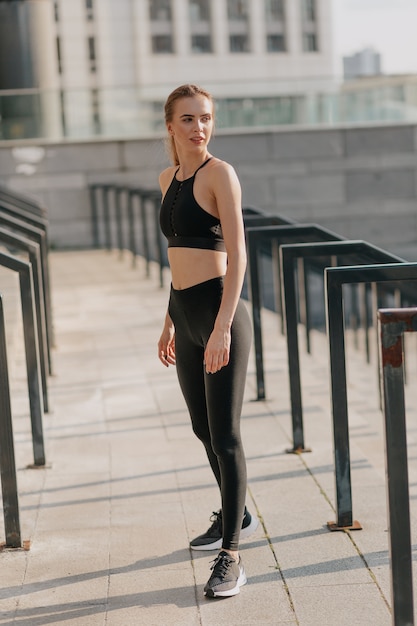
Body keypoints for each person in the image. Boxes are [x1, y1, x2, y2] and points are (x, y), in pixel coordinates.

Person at [157, 84, 258, 598]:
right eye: (189, 118)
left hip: (221, 316)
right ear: (170, 125)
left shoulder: (220, 174)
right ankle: (235, 510)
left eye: (207, 117)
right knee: (201, 427)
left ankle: (232, 556)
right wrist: (169, 319)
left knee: (227, 435)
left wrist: (221, 327)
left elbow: (238, 255)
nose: (200, 126)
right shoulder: (167, 178)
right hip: (184, 315)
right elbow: (176, 255)